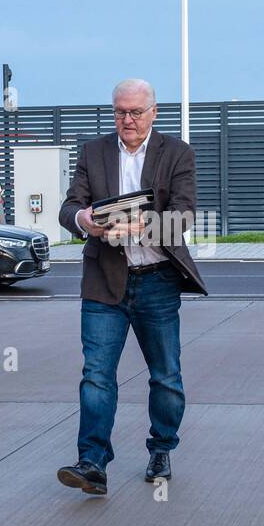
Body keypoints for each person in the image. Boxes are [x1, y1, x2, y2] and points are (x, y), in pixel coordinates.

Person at [55, 78, 207, 496]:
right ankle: (92, 463)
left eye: (136, 112)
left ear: (153, 113)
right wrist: (84, 221)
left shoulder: (177, 153)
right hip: (105, 281)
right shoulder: (93, 152)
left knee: (166, 377)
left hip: (157, 280)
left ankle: (161, 448)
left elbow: (185, 216)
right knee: (97, 376)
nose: (127, 120)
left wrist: (148, 225)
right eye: (120, 111)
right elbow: (69, 208)